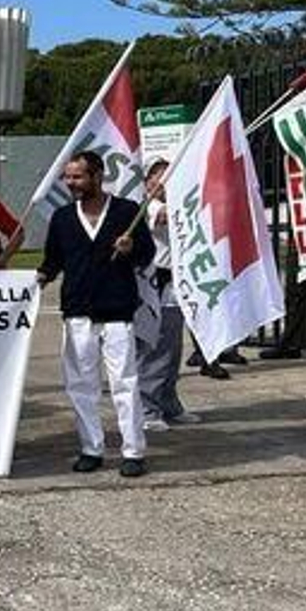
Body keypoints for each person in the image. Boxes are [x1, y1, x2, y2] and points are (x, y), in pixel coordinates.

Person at [36, 151, 155, 478]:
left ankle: (133, 451)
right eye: (68, 177)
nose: (70, 183)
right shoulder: (61, 218)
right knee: (81, 385)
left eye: (77, 177)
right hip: (77, 313)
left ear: (97, 176)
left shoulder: (126, 212)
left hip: (117, 311)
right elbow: (53, 261)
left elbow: (147, 253)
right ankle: (92, 448)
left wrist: (133, 249)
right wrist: (37, 278)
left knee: (124, 383)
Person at [134, 160, 200, 431]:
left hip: (176, 281)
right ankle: (147, 408)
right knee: (154, 348)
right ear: (149, 181)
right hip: (154, 284)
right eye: (162, 179)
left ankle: (169, 402)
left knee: (172, 348)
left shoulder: (176, 203)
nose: (167, 185)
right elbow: (163, 217)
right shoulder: (147, 207)